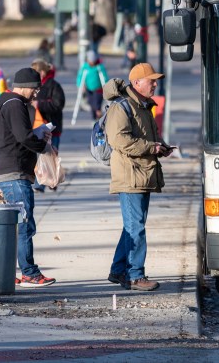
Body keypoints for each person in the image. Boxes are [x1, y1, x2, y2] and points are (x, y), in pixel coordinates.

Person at [104, 62, 172, 291]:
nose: (155, 85)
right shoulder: (122, 106)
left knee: (132, 226)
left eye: (155, 81)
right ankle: (135, 276)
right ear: (136, 83)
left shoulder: (143, 106)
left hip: (142, 174)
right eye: (151, 81)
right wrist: (151, 147)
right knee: (136, 228)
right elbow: (119, 140)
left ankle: (118, 270)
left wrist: (160, 146)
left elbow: (146, 137)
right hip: (130, 175)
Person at [0, 67, 54, 287]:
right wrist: (42, 145)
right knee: (25, 225)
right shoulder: (15, 104)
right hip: (15, 173)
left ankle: (7, 272)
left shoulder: (11, 104)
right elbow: (23, 137)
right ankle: (29, 273)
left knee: (17, 227)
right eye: (35, 89)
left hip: (13, 172)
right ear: (25, 87)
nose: (36, 94)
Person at [30, 59, 66, 193]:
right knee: (40, 155)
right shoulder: (34, 86)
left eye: (35, 72)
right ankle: (43, 182)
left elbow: (58, 104)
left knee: (51, 154)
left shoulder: (54, 85)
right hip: (37, 126)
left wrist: (39, 104)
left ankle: (50, 180)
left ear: (42, 72)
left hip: (52, 127)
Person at [77, 50, 108, 120]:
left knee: (97, 104)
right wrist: (80, 85)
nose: (91, 62)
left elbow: (104, 77)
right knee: (91, 103)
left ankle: (99, 116)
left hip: (98, 89)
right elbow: (80, 76)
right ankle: (94, 117)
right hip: (89, 89)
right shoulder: (85, 67)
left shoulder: (99, 67)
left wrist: (106, 85)